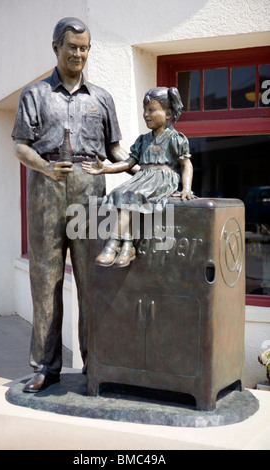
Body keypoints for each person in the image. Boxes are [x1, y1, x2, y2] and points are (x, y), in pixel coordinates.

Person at [12, 17, 129, 392]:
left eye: (84, 48)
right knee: (46, 280)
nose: (79, 53)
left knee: (92, 279)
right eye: (72, 47)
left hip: (90, 191)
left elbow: (115, 149)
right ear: (56, 48)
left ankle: (96, 363)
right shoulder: (34, 95)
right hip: (47, 188)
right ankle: (46, 366)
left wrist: (139, 162)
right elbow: (19, 145)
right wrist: (45, 166)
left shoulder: (102, 98)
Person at [82, 86, 196, 268]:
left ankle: (113, 244)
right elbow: (128, 163)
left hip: (163, 178)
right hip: (142, 178)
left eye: (151, 110)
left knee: (133, 195)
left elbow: (186, 164)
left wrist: (186, 188)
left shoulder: (175, 138)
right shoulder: (143, 140)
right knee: (120, 192)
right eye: (145, 110)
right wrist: (104, 168)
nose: (146, 114)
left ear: (167, 114)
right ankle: (127, 246)